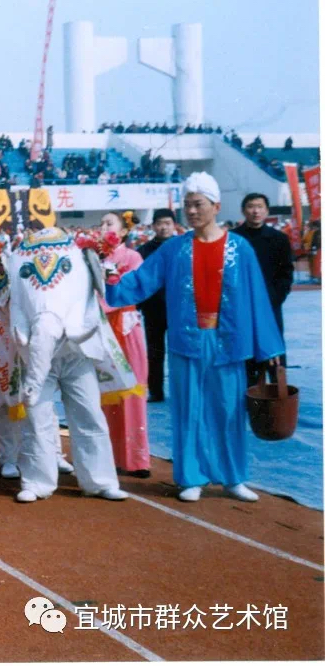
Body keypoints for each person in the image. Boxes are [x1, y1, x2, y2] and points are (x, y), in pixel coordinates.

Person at [107, 173, 284, 503]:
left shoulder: (240, 249)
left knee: (229, 409)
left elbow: (258, 298)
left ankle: (233, 477)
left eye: (198, 204)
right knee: (188, 408)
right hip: (186, 341)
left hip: (228, 341)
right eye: (187, 205)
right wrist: (107, 282)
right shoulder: (174, 249)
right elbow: (142, 280)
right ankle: (191, 477)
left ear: (216, 206)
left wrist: (269, 346)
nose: (191, 211)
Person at [97, 211, 150, 478]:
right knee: (106, 392)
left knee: (130, 390)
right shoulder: (96, 258)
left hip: (126, 329)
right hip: (103, 329)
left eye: (109, 223)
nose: (103, 227)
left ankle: (136, 459)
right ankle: (110, 457)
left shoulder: (132, 257)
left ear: (124, 231)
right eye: (101, 223)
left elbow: (130, 291)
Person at [232, 193, 294, 381]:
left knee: (274, 354)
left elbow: (286, 273)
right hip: (241, 306)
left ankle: (277, 393)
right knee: (246, 355)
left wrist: (274, 298)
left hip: (270, 304)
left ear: (266, 211)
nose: (255, 211)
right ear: (243, 211)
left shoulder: (279, 239)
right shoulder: (233, 239)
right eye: (251, 206)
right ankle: (250, 394)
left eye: (260, 207)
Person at [136, 208, 177, 402]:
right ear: (153, 226)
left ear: (174, 225)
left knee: (179, 352)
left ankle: (180, 390)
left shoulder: (183, 247)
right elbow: (138, 280)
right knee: (154, 352)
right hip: (153, 309)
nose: (164, 227)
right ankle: (156, 391)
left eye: (168, 223)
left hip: (178, 310)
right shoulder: (143, 251)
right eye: (160, 223)